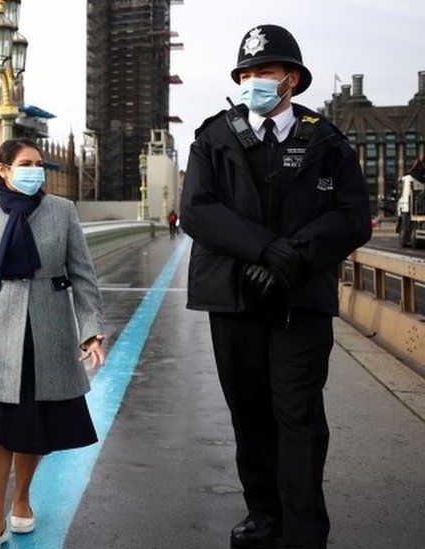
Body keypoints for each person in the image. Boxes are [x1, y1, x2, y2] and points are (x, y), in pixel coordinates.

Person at [180, 25, 371, 549]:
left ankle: (305, 529)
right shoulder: (214, 136)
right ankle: (263, 515)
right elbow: (196, 210)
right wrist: (264, 249)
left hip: (300, 301)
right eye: (245, 74)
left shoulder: (326, 140)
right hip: (235, 298)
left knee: (299, 415)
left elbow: (354, 216)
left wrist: (293, 259)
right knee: (250, 413)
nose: (253, 82)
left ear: (290, 79)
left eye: (263, 72)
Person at [0, 138, 106, 549]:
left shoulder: (62, 211)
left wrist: (91, 328)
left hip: (48, 328)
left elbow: (83, 274)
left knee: (35, 422)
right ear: (2, 169)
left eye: (39, 163)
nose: (35, 170)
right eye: (25, 163)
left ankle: (22, 499)